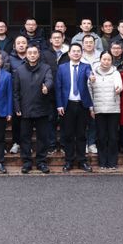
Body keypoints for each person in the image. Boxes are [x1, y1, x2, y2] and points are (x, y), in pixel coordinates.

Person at [13, 45, 54, 174]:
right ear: (26, 54)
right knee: (25, 137)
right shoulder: (19, 70)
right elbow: (16, 91)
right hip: (25, 109)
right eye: (29, 53)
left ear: (38, 54)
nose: (32, 55)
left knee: (43, 137)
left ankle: (41, 162)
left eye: (34, 53)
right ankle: (27, 162)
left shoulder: (45, 68)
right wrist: (17, 106)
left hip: (42, 108)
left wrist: (46, 87)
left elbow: (49, 80)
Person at [55, 43, 93, 172]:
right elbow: (58, 87)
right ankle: (69, 161)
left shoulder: (86, 66)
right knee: (68, 134)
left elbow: (89, 74)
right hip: (67, 105)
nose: (76, 53)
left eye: (78, 51)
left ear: (81, 53)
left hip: (82, 105)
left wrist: (91, 77)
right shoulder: (62, 68)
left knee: (81, 134)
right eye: (74, 51)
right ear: (69, 53)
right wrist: (59, 104)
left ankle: (82, 161)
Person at [89, 51, 123, 170]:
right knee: (101, 137)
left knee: (113, 136)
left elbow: (119, 85)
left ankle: (112, 162)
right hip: (99, 109)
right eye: (104, 59)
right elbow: (90, 90)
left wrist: (118, 89)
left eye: (109, 59)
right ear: (100, 60)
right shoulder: (93, 73)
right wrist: (91, 108)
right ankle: (102, 162)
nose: (106, 61)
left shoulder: (116, 73)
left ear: (111, 61)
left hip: (113, 109)